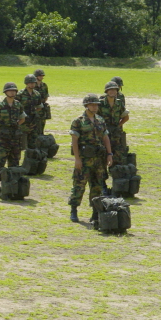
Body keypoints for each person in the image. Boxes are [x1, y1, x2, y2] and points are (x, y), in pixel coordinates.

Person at [68, 94, 114, 223]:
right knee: (79, 185)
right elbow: (74, 141)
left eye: (96, 105)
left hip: (98, 160)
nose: (95, 107)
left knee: (97, 186)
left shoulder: (100, 120)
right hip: (84, 159)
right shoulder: (78, 121)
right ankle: (74, 210)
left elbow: (105, 138)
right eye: (92, 104)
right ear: (86, 106)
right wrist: (77, 159)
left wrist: (109, 154)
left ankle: (95, 212)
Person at [0, 83, 26, 196]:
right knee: (0, 162)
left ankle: (12, 186)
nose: (13, 92)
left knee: (14, 163)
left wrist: (17, 125)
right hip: (3, 140)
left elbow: (23, 118)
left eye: (14, 91)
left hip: (15, 139)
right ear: (5, 92)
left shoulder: (18, 105)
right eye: (10, 91)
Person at [99, 81, 130, 193]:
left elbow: (126, 117)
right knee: (102, 159)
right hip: (103, 136)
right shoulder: (100, 104)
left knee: (117, 159)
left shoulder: (119, 103)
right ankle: (102, 185)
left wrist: (118, 125)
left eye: (115, 90)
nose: (113, 91)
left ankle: (117, 186)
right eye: (110, 90)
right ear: (106, 91)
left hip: (116, 136)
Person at [16, 74, 42, 149]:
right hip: (23, 120)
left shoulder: (37, 94)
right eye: (30, 83)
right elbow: (15, 107)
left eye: (33, 83)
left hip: (33, 120)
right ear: (26, 83)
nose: (32, 84)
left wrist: (33, 112)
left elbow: (39, 107)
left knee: (33, 141)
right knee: (22, 142)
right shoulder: (20, 94)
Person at [34, 69, 49, 134]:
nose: (42, 77)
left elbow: (46, 96)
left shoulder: (44, 85)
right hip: (35, 108)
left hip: (42, 108)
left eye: (42, 76)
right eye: (40, 76)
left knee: (42, 123)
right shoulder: (32, 85)